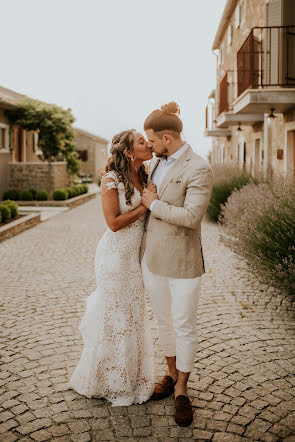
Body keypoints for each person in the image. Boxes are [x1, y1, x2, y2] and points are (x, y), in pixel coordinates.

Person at [69, 129, 156, 406]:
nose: (148, 144)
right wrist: (145, 206)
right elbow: (114, 223)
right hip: (114, 258)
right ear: (129, 152)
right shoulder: (111, 179)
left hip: (134, 259)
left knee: (133, 315)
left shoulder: (145, 174)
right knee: (115, 317)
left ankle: (133, 377)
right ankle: (108, 380)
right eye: (142, 142)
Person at [140, 102, 213, 426]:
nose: (150, 146)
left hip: (183, 264)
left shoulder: (199, 168)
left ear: (167, 138)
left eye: (152, 140)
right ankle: (170, 373)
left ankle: (182, 388)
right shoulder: (155, 163)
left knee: (184, 325)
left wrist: (153, 204)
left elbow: (192, 216)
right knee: (164, 323)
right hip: (153, 260)